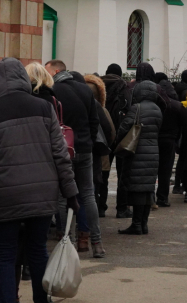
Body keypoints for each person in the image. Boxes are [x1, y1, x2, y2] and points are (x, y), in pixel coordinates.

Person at [0, 58, 78, 303]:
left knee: (4, 254)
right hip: (42, 194)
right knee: (38, 251)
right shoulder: (44, 108)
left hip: (4, 196)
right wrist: (71, 193)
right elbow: (61, 154)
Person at [43, 60, 104, 258]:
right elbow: (94, 119)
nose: (46, 75)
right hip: (85, 148)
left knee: (62, 195)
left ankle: (65, 241)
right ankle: (96, 242)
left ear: (57, 71)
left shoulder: (52, 90)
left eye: (48, 71)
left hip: (63, 148)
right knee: (87, 194)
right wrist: (88, 141)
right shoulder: (85, 90)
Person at [115, 81, 161, 235]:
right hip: (153, 152)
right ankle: (144, 224)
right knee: (147, 188)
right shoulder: (157, 109)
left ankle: (136, 224)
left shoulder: (137, 108)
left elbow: (125, 127)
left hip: (137, 153)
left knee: (137, 189)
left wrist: (117, 141)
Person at [99, 65, 130, 218]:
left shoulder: (98, 88)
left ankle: (100, 206)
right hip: (121, 137)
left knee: (102, 173)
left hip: (104, 137)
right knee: (123, 174)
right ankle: (122, 208)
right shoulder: (124, 89)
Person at [84, 74, 115, 218]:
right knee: (101, 182)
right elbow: (111, 131)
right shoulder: (103, 110)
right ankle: (100, 208)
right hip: (100, 155)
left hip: (87, 153)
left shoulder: (81, 108)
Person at [154, 74, 183, 207]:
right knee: (165, 170)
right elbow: (183, 125)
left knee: (152, 169)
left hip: (154, 139)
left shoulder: (155, 105)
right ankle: (163, 197)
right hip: (170, 140)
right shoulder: (177, 106)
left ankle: (149, 197)